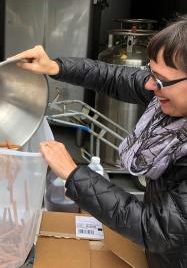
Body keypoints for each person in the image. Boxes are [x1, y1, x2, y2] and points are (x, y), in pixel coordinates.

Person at [13, 18, 187, 268]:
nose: (149, 85)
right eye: (151, 73)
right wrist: (54, 67)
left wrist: (74, 174)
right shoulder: (169, 98)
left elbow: (155, 228)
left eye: (159, 80)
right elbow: (113, 76)